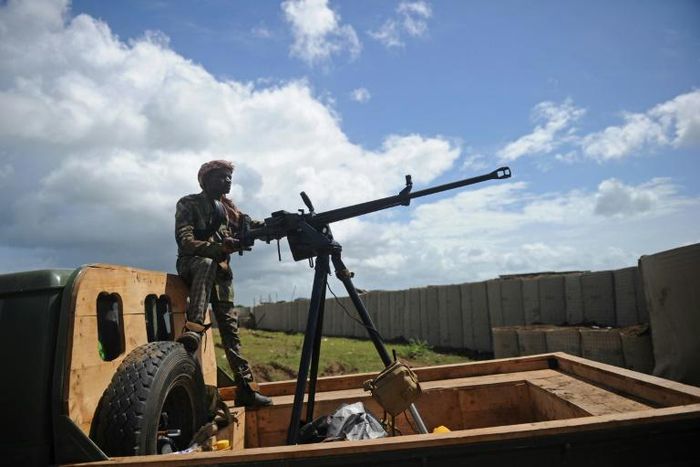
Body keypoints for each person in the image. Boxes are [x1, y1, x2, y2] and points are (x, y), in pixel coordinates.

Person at [174, 160, 272, 408]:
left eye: (229, 177)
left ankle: (246, 390)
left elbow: (254, 227)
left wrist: (282, 225)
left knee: (232, 336)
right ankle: (194, 330)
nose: (227, 181)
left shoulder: (230, 211)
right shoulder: (188, 203)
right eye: (220, 177)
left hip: (221, 278)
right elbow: (185, 241)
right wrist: (219, 247)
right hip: (192, 266)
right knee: (206, 263)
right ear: (204, 180)